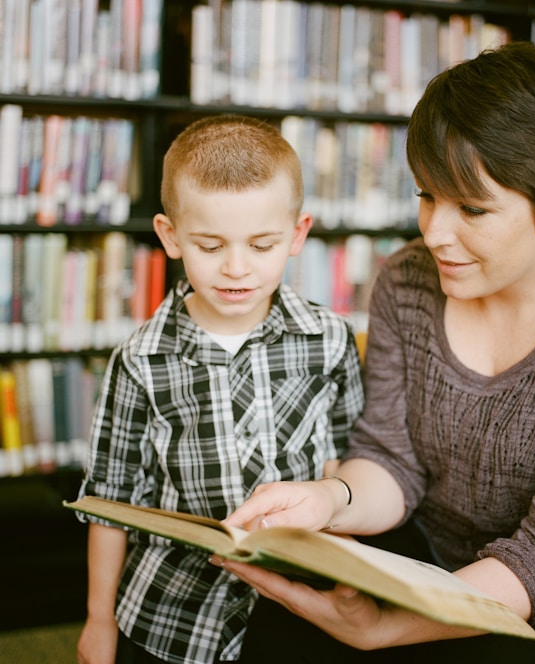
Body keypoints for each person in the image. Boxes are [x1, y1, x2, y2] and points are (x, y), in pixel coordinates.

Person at [218, 42, 535, 663]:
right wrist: (329, 500)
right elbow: (391, 460)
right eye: (426, 196)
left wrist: (386, 627)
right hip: (426, 551)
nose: (434, 233)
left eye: (473, 209)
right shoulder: (407, 279)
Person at [75, 115, 364, 664]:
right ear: (171, 237)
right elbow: (108, 503)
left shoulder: (328, 338)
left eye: (261, 245)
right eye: (210, 245)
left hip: (300, 604)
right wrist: (97, 620)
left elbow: (346, 460)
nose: (237, 268)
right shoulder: (140, 360)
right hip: (173, 614)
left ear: (298, 234)